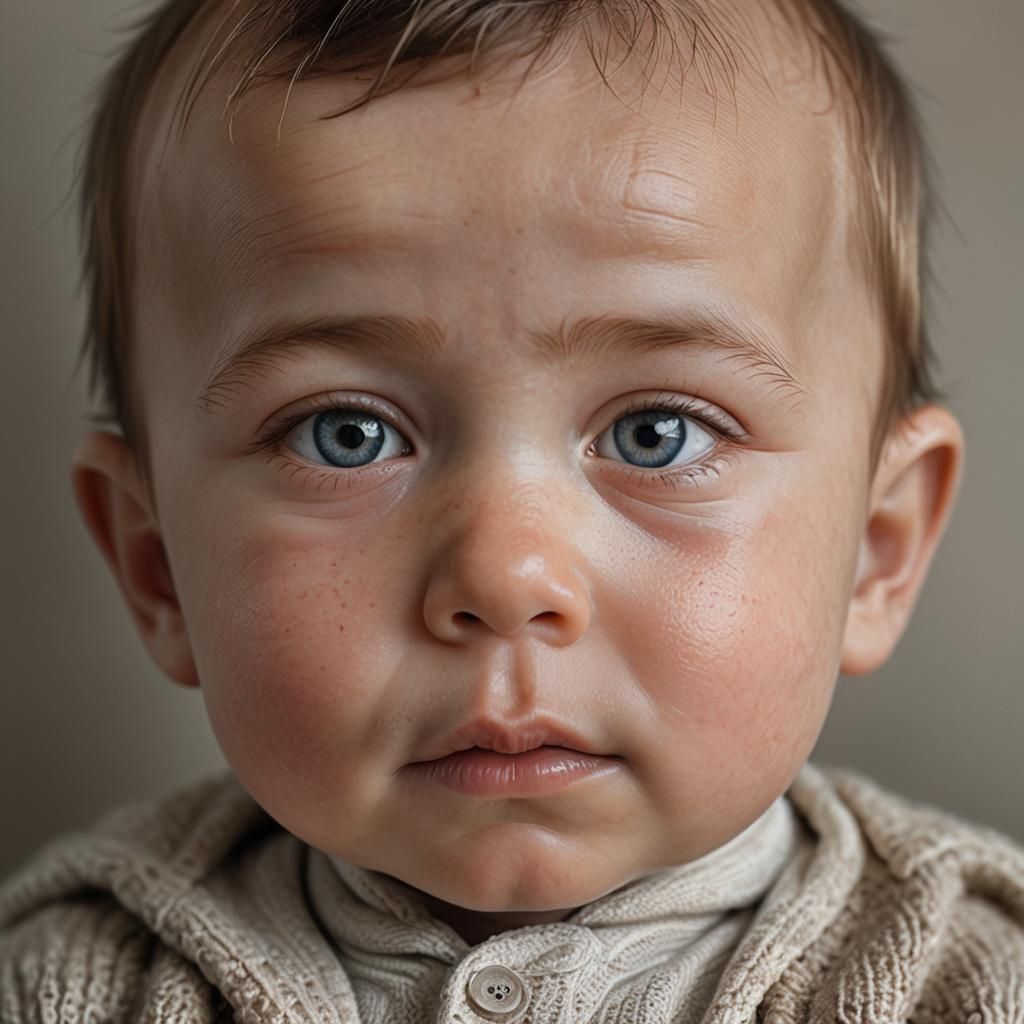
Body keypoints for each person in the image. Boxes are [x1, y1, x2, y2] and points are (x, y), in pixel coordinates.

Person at [2, 0, 1022, 1020]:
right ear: (156, 567)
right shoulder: (60, 986)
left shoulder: (976, 984)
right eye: (343, 433)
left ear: (876, 549)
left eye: (656, 432)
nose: (504, 575)